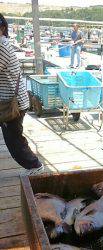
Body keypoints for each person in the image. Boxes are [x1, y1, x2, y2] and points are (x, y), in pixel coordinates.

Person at [0, 14, 43, 175]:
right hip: (9, 101)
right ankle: (34, 165)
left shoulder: (2, 47)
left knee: (14, 140)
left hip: (12, 105)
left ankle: (35, 166)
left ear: (2, 28)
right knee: (14, 137)